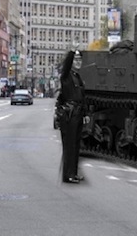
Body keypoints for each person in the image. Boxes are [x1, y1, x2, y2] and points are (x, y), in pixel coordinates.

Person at [55, 50, 87, 184]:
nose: (79, 62)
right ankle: (68, 175)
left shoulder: (77, 77)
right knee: (69, 145)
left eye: (80, 60)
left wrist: (85, 114)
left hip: (77, 113)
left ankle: (73, 173)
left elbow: (82, 97)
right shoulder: (67, 76)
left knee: (75, 145)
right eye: (76, 60)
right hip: (70, 114)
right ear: (70, 62)